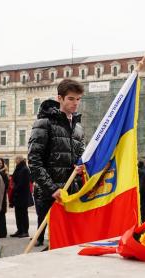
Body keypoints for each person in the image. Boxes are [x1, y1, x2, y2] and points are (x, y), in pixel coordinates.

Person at [28, 79, 85, 247]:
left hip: (71, 192)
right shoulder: (44, 123)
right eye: (71, 99)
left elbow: (80, 157)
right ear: (60, 98)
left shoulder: (78, 127)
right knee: (55, 244)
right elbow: (34, 161)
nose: (75, 103)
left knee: (69, 242)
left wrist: (81, 168)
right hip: (49, 194)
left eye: (78, 99)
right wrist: (52, 189)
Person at [10, 156, 31, 238]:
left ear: (18, 160)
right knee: (18, 214)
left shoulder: (25, 169)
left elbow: (23, 183)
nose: (15, 161)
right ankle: (19, 230)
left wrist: (14, 188)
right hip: (18, 195)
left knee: (23, 214)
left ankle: (25, 231)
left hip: (23, 195)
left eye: (15, 160)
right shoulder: (19, 168)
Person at [0, 158, 9, 238]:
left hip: (2, 196)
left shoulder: (3, 173)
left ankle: (2, 233)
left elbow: (6, 186)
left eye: (1, 163)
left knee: (1, 215)